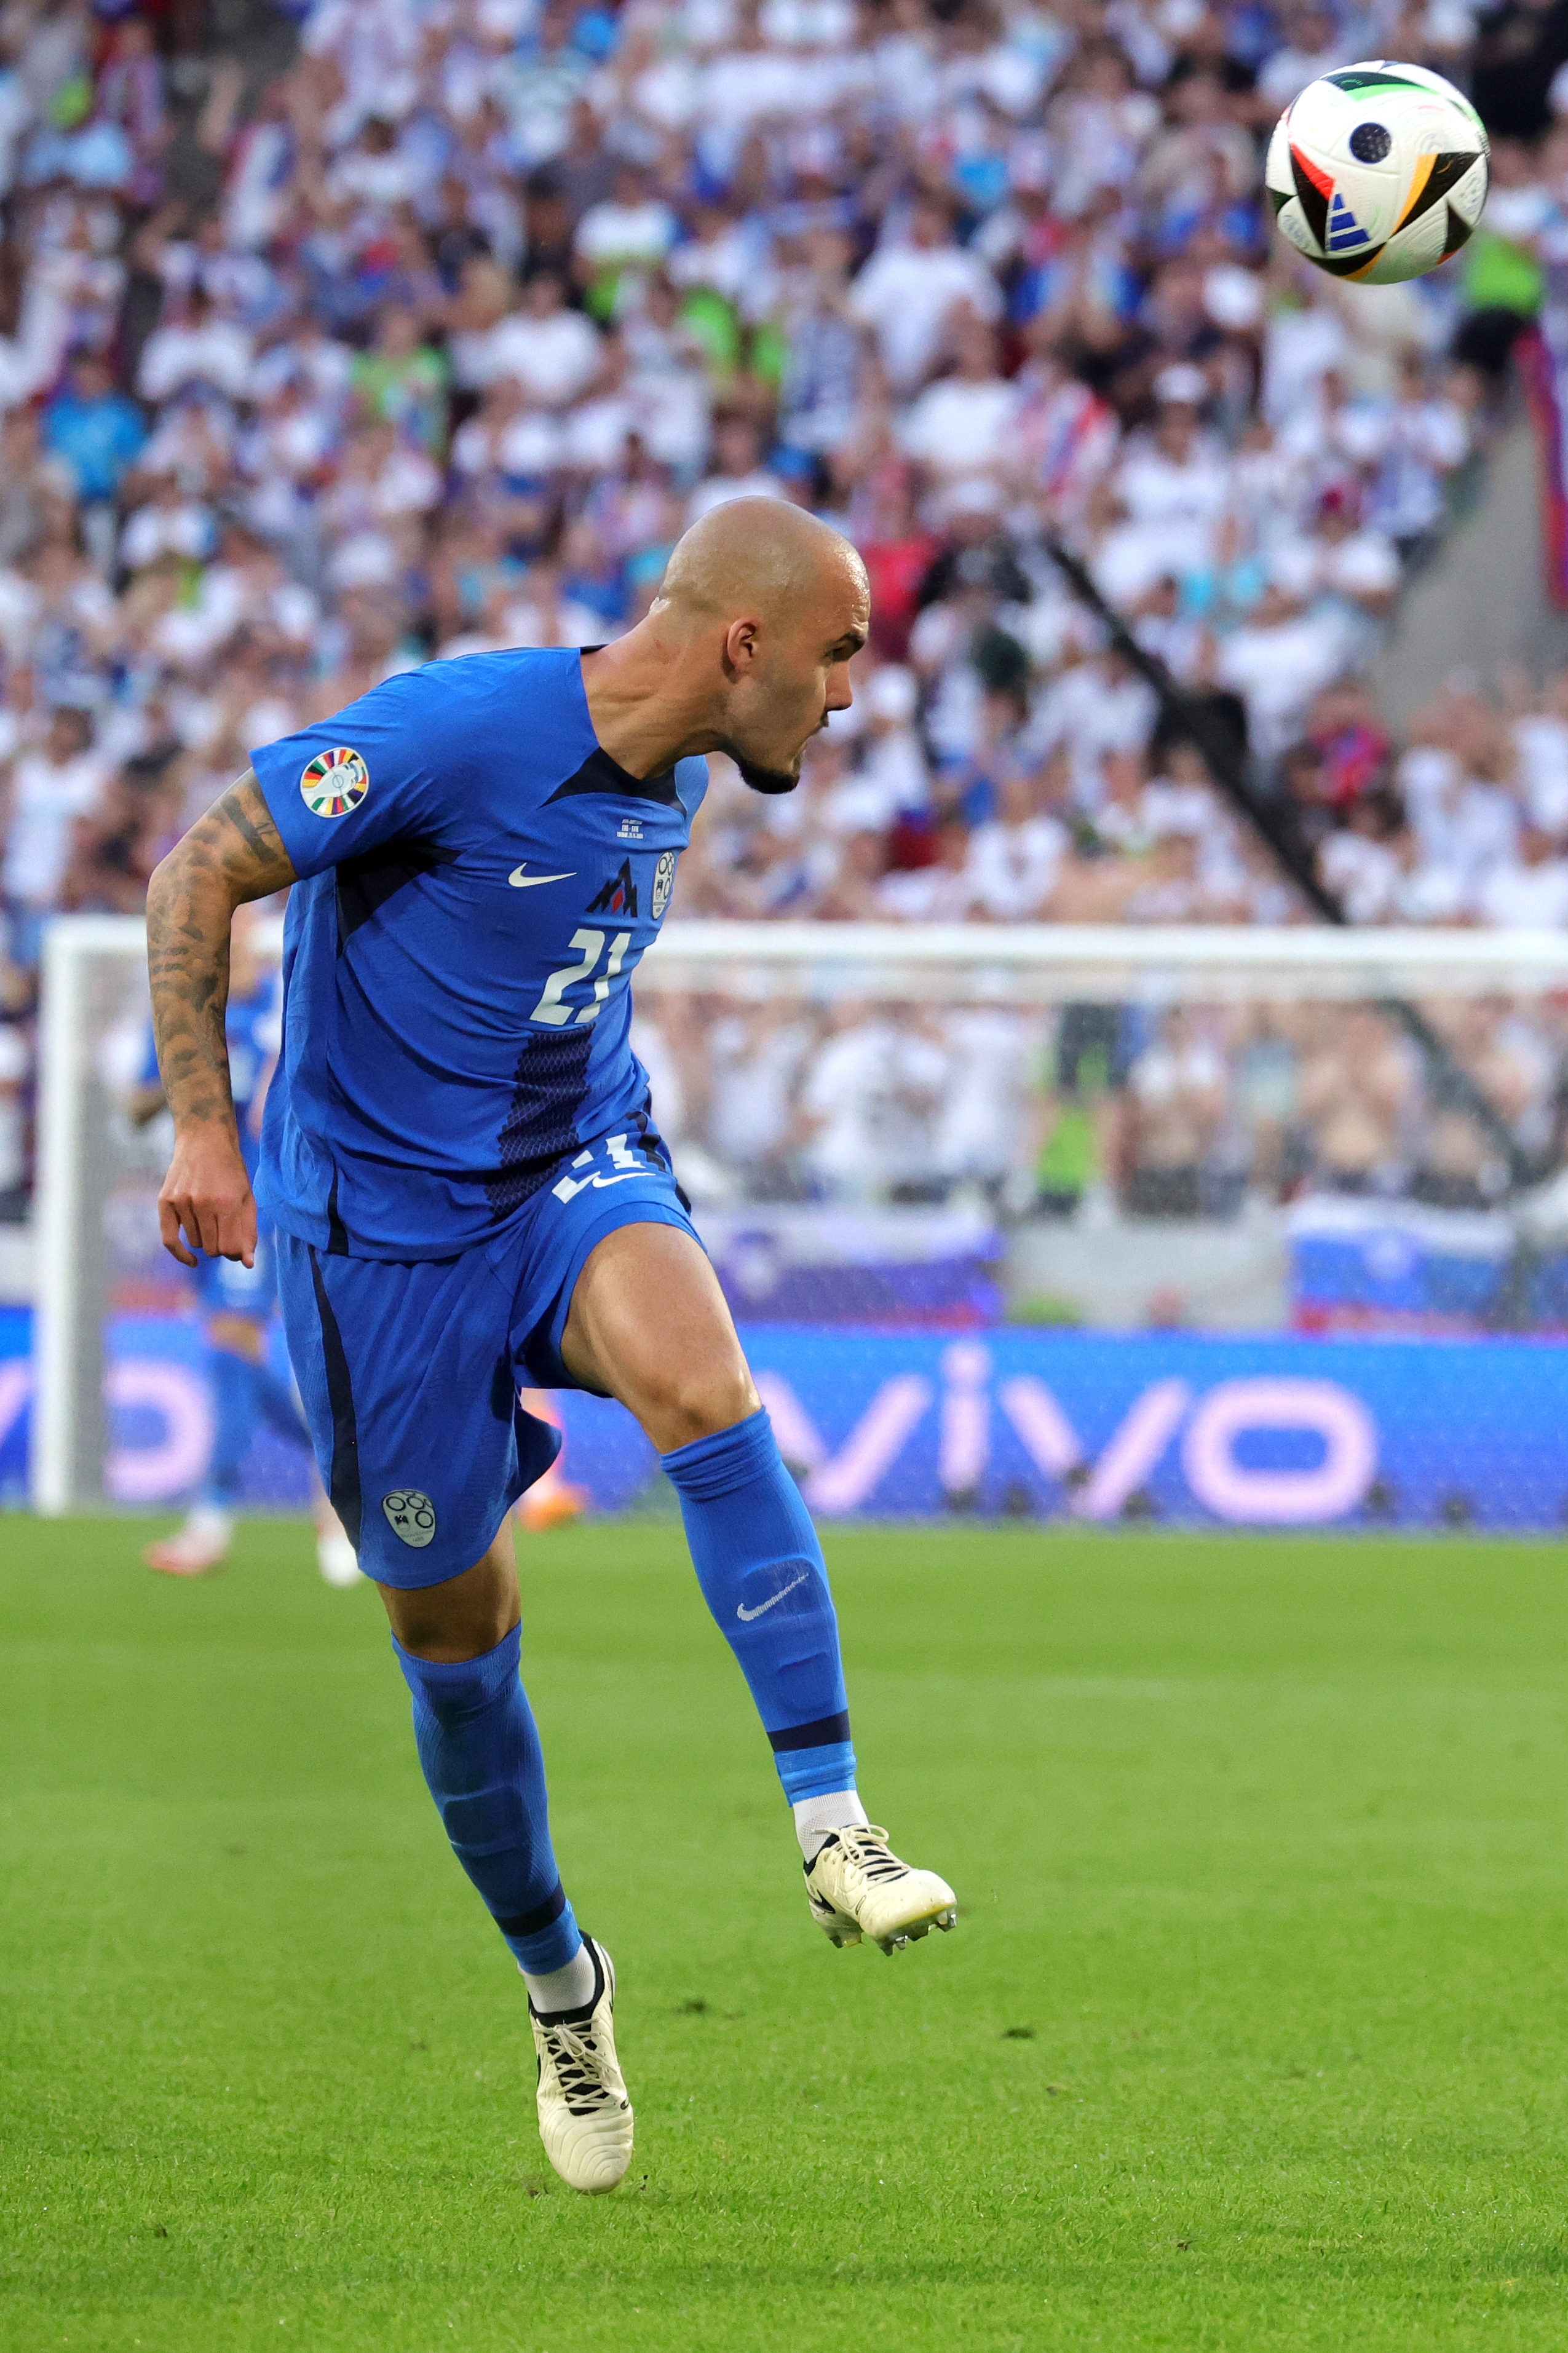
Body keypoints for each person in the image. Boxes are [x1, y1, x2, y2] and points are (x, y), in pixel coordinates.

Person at [142, 498, 962, 2199]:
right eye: (839, 653)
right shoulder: (457, 731)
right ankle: (559, 1985)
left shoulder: (679, 774)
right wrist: (204, 1131)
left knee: (704, 1385)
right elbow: (198, 866)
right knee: (457, 1632)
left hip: (573, 1167)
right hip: (380, 1247)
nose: (851, 695)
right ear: (743, 640)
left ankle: (832, 1822)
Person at [130, 947, 357, 1586]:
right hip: (197, 1194)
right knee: (231, 1352)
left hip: (261, 1197)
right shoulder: (189, 1019)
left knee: (234, 1341)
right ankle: (339, 1462)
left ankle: (210, 1521)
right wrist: (191, 1082)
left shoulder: (282, 1011)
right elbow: (135, 1107)